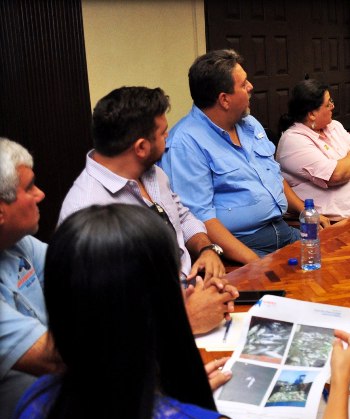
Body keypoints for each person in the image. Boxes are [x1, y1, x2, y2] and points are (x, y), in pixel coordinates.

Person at [11, 204, 350, 419]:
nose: (189, 289)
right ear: (158, 306)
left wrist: (170, 392)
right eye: (180, 282)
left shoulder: (35, 402)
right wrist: (341, 380)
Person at [58, 86, 237, 335]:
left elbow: (182, 216)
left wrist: (206, 249)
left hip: (189, 294)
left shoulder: (153, 173)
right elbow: (99, 316)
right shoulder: (85, 210)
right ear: (141, 147)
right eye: (163, 133)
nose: (168, 138)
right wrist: (184, 319)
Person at [161, 49, 330, 265]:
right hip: (240, 249)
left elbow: (273, 176)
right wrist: (254, 262)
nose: (251, 87)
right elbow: (200, 219)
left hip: (283, 231)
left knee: (334, 258)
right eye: (243, 84)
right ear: (224, 99)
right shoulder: (185, 143)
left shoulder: (249, 124)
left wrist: (306, 212)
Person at [0, 138, 61, 419]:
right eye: (30, 187)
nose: (41, 194)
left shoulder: (16, 243)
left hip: (56, 405)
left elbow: (85, 277)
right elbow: (54, 358)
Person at [276, 79, 350, 220]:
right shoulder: (293, 140)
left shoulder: (334, 126)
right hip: (331, 219)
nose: (333, 106)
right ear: (312, 114)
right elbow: (334, 176)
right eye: (328, 104)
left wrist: (345, 171)